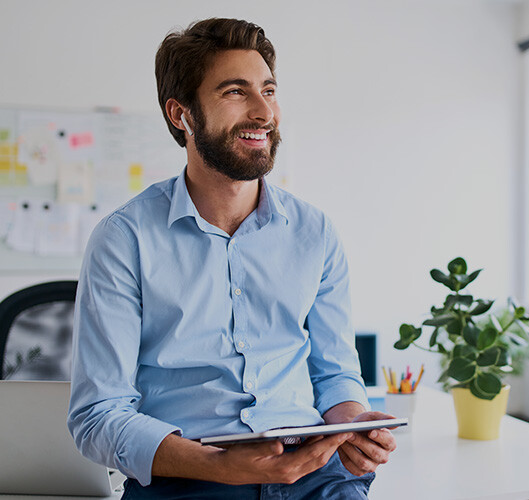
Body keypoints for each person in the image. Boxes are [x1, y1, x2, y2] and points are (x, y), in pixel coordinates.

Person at [67, 17, 396, 499]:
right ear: (182, 114)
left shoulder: (314, 231)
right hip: (191, 480)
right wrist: (222, 467)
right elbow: (98, 414)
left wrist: (353, 423)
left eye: (268, 90)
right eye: (235, 92)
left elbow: (335, 373)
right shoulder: (124, 239)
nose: (264, 112)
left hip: (315, 474)